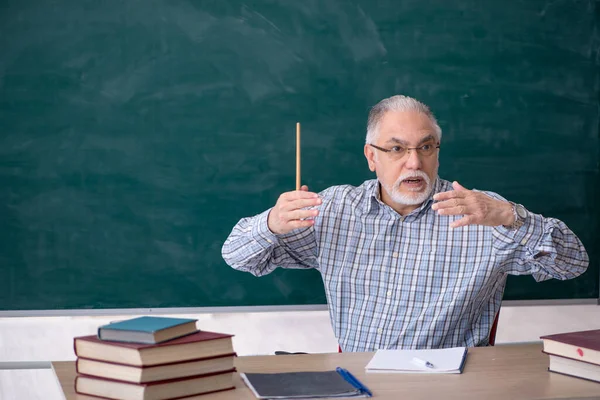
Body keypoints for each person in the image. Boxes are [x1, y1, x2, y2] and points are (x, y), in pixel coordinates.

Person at [221, 95, 589, 351]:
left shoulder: (479, 212)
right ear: (371, 156)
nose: (414, 163)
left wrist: (512, 216)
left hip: (451, 385)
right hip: (358, 377)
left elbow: (574, 264)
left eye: (426, 148)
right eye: (397, 149)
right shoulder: (333, 210)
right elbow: (238, 257)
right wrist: (270, 223)